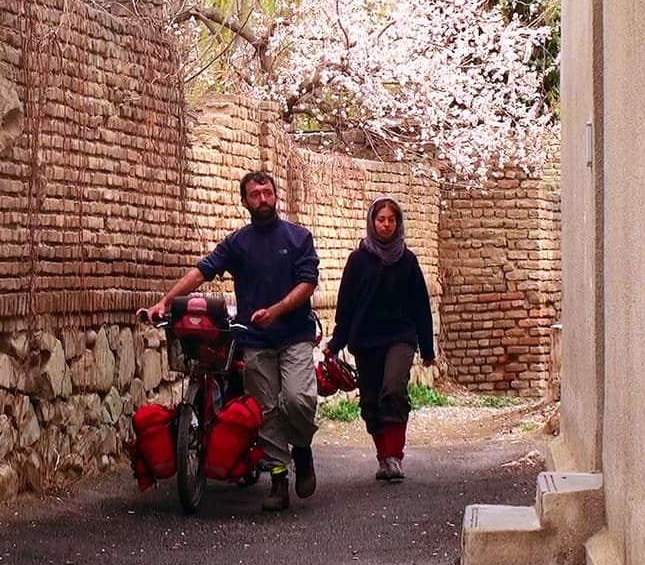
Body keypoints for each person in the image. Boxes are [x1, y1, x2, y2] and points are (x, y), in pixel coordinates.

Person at [145, 171, 320, 511]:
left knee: (298, 401)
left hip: (295, 333)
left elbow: (308, 283)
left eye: (268, 192)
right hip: (255, 338)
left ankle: (302, 447)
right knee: (264, 410)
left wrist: (277, 309)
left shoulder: (299, 237)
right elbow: (202, 271)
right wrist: (165, 302)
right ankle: (279, 479)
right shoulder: (238, 243)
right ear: (244, 201)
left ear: (276, 196)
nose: (263, 199)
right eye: (255, 195)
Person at [324, 195, 436, 481]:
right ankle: (383, 457)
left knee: (393, 389)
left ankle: (395, 456)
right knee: (371, 401)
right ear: (372, 222)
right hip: (366, 339)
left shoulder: (407, 261)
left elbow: (420, 305)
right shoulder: (358, 260)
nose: (385, 225)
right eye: (380, 219)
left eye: (391, 220)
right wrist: (336, 342)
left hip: (400, 338)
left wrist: (426, 348)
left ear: (398, 224)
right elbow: (345, 305)